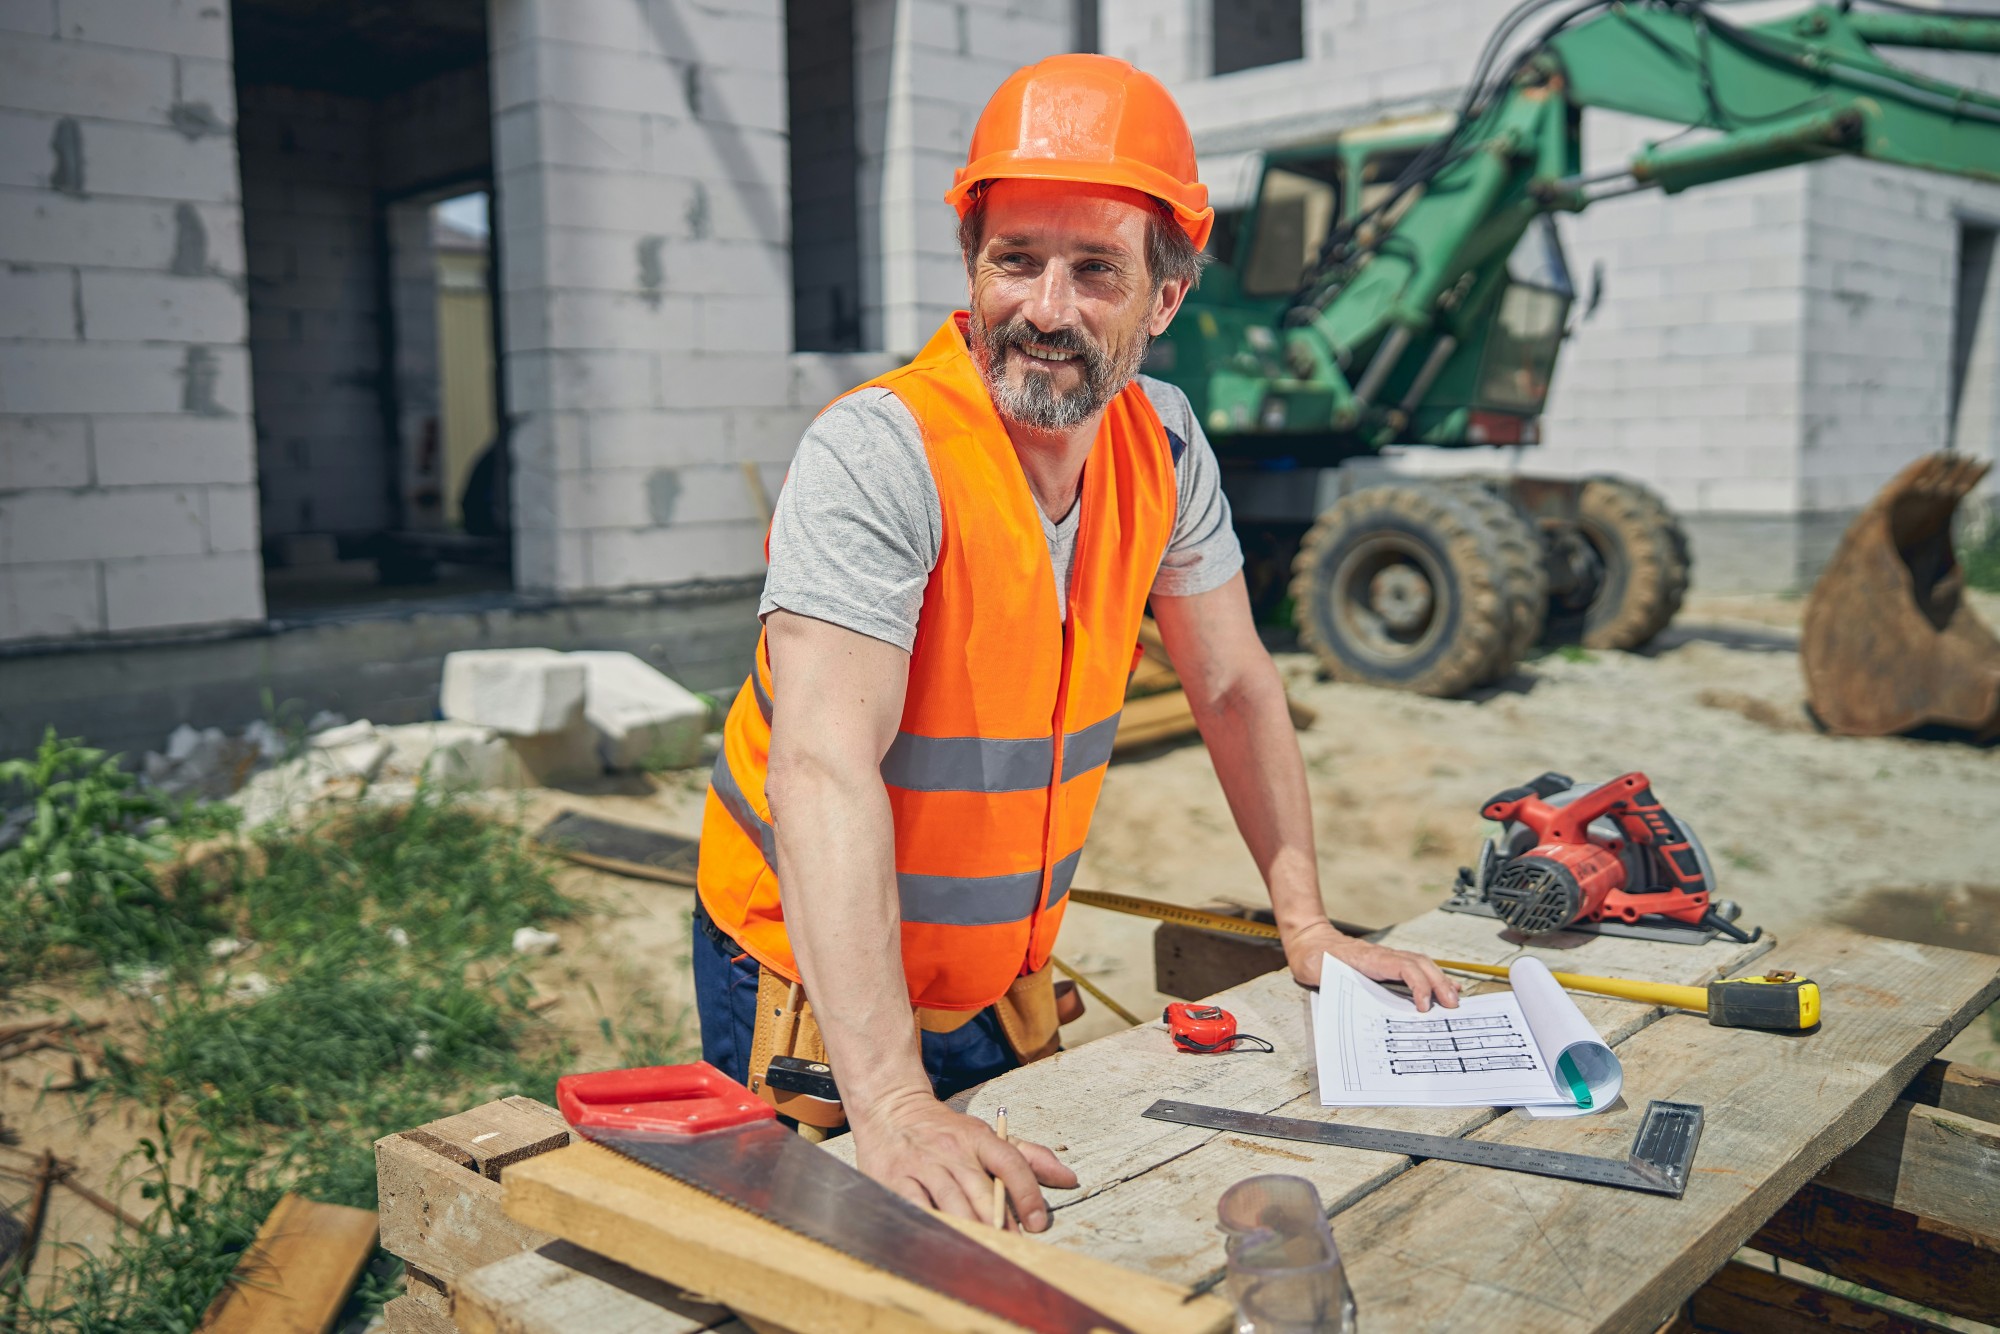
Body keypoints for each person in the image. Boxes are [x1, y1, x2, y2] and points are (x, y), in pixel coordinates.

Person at [692, 52, 1458, 1235]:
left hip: (1000, 969)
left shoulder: (1164, 444)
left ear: (1163, 297)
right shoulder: (878, 452)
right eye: (1014, 260)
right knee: (840, 1274)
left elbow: (1234, 681)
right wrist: (887, 1097)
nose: (1045, 308)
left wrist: (1302, 923)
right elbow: (819, 768)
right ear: (970, 265)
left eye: (1094, 268)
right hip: (805, 974)